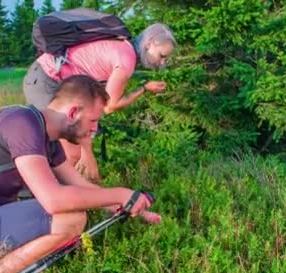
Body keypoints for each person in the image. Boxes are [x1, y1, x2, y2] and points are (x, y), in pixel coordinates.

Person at [0, 75, 161, 273]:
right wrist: (120, 193)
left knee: (73, 212)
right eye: (93, 121)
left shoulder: (46, 136)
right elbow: (54, 201)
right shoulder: (22, 124)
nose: (95, 129)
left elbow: (82, 187)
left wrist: (132, 205)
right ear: (73, 113)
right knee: (71, 219)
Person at [23, 23, 177, 182]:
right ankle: (50, 196)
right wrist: (143, 89)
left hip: (49, 80)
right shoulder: (126, 59)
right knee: (67, 153)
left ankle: (71, 196)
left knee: (69, 151)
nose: (162, 63)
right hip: (46, 80)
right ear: (149, 43)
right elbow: (110, 106)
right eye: (162, 56)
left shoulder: (122, 45)